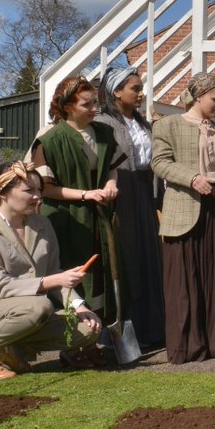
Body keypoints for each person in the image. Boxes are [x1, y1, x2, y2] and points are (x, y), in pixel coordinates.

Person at [0, 162, 102, 380]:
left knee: (89, 329)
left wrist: (79, 307)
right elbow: (0, 286)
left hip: (28, 312)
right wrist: (56, 279)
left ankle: (11, 350)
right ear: (2, 192)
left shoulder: (43, 224)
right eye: (29, 190)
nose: (38, 196)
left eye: (39, 190)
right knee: (38, 305)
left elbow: (54, 273)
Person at [151, 72, 215, 363]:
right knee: (184, 278)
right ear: (198, 95)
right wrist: (191, 178)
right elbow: (159, 163)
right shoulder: (168, 125)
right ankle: (188, 346)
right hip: (186, 205)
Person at [30, 77, 121, 334]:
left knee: (102, 272)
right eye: (86, 104)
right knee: (75, 274)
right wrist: (86, 195)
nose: (94, 109)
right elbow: (45, 187)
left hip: (100, 216)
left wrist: (111, 185)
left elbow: (112, 168)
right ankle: (73, 338)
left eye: (95, 103)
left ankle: (99, 334)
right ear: (68, 105)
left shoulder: (104, 133)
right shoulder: (50, 139)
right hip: (66, 219)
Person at [94, 67, 165, 348]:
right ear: (116, 92)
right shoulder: (103, 123)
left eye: (139, 88)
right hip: (120, 193)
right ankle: (126, 331)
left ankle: (152, 329)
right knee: (126, 261)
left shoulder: (144, 124)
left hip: (144, 191)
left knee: (149, 258)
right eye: (134, 89)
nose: (140, 94)